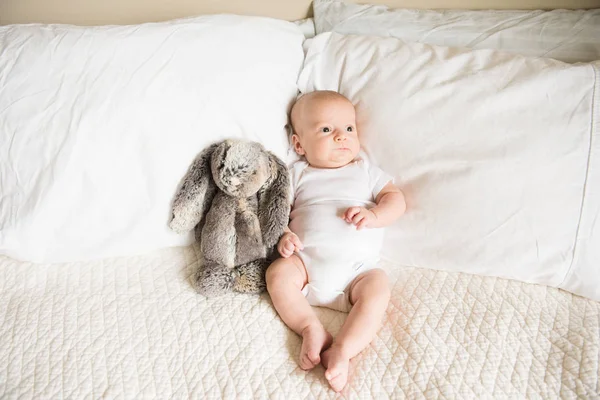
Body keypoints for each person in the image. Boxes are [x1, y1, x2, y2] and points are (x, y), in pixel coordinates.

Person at [266, 90, 406, 392]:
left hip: (358, 271)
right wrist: (285, 237)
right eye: (327, 129)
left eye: (349, 129)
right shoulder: (295, 175)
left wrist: (376, 216)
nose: (342, 137)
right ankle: (310, 327)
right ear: (299, 144)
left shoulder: (365, 172)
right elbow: (276, 213)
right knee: (277, 273)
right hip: (305, 263)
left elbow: (396, 200)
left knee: (378, 288)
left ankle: (343, 349)